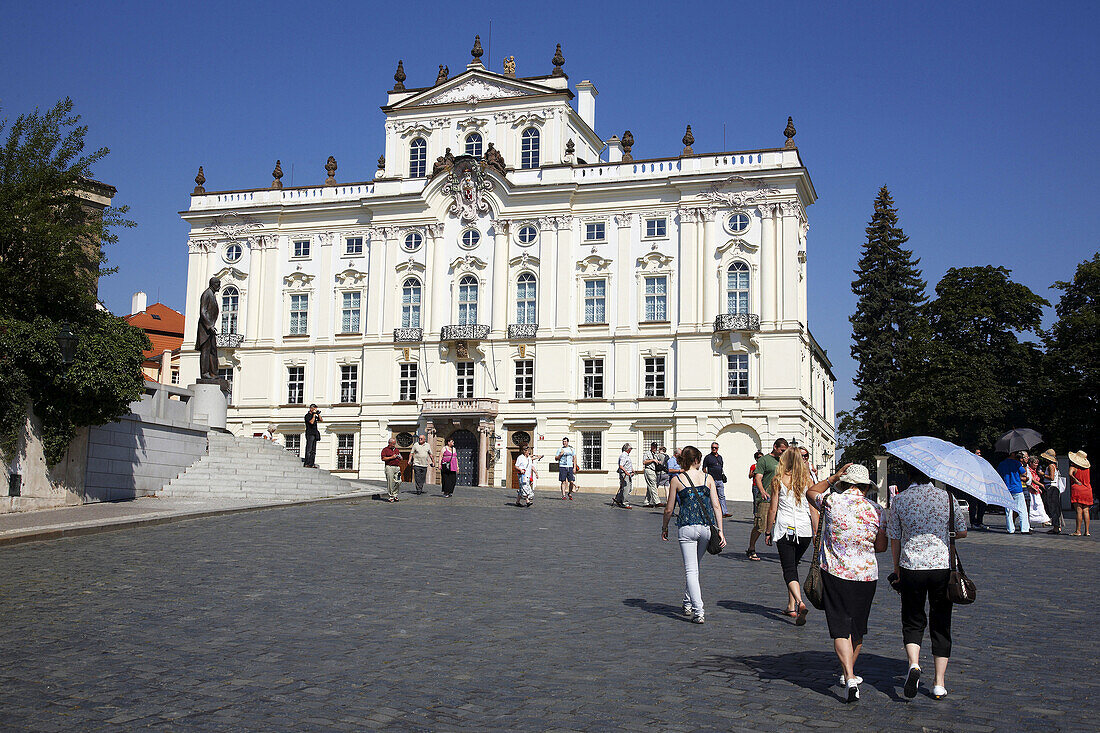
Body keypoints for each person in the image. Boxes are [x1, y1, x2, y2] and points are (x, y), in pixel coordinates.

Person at [807, 463, 887, 704]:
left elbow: (810, 492)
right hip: (865, 575)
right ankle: (848, 672)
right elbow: (881, 547)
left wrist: (832, 476)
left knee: (840, 625)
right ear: (865, 487)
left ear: (844, 483)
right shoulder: (876, 509)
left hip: (836, 572)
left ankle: (849, 677)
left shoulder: (832, 502)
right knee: (857, 627)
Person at [887, 462, 968, 701]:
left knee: (912, 619)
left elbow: (894, 537)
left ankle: (913, 664)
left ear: (908, 475)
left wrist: (896, 568)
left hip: (911, 566)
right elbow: (961, 531)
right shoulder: (948, 498)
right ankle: (939, 683)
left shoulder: (900, 500)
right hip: (942, 567)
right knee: (941, 621)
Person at [661, 445, 726, 624]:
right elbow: (716, 506)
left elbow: (669, 509)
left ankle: (699, 610)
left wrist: (664, 527)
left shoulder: (677, 480)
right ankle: (688, 602)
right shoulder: (708, 478)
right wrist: (720, 530)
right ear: (697, 460)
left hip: (686, 527)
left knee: (691, 570)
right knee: (695, 567)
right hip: (705, 528)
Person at [764, 447, 818, 625]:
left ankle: (800, 602)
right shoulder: (807, 480)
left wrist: (768, 530)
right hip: (804, 531)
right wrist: (816, 532)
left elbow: (773, 508)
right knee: (793, 566)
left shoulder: (778, 480)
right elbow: (813, 509)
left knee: (789, 570)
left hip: (785, 529)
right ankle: (791, 606)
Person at [750, 438, 789, 561]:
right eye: (782, 450)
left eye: (785, 451)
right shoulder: (764, 460)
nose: (783, 453)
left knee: (783, 525)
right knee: (760, 525)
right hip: (767, 498)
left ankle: (785, 552)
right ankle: (751, 548)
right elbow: (758, 477)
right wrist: (762, 491)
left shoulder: (785, 461)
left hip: (782, 498)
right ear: (775, 447)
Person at [998, 451, 1030, 534]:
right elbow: (1024, 473)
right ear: (1012, 454)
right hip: (1017, 489)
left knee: (1008, 511)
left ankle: (1010, 529)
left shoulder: (1001, 464)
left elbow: (999, 475)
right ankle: (1024, 529)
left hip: (1006, 489)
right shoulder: (1016, 463)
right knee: (1022, 509)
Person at [702, 442, 730, 518]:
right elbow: (704, 468)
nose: (714, 449)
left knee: (722, 496)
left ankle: (724, 512)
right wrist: (707, 477)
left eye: (715, 448)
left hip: (720, 479)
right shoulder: (708, 457)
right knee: (712, 496)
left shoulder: (720, 457)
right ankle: (710, 512)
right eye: (713, 447)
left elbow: (721, 467)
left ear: (718, 448)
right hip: (712, 480)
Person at [1068, 451, 1092, 536]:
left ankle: (1078, 531)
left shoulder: (1073, 467)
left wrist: (1076, 480)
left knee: (1079, 510)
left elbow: (1070, 474)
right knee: (1086, 510)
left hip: (1078, 489)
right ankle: (1087, 531)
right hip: (1087, 489)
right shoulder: (1087, 469)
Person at [1039, 449, 1062, 534]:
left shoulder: (1050, 466)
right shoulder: (1054, 466)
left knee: (1053, 507)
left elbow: (1051, 477)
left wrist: (1043, 474)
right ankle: (1057, 526)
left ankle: (1056, 527)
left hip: (1052, 488)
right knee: (1055, 507)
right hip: (1054, 487)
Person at [1026, 457, 1050, 526]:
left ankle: (1044, 519)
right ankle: (1030, 520)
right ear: (1030, 463)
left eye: (1037, 463)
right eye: (1034, 463)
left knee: (1039, 505)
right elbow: (1032, 480)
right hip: (1031, 490)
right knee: (1032, 506)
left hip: (1036, 490)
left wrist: (1038, 487)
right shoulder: (1028, 470)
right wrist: (1041, 485)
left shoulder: (1035, 471)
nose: (1036, 465)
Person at [613, 444, 637, 509]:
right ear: (627, 449)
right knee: (626, 488)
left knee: (628, 488)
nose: (631, 450)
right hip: (625, 474)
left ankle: (618, 499)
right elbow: (621, 466)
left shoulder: (627, 455)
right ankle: (624, 503)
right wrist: (626, 472)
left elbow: (628, 464)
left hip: (628, 474)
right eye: (630, 449)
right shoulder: (623, 455)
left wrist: (632, 470)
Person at [381, 437, 402, 502]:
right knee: (390, 482)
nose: (394, 445)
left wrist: (400, 457)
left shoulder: (396, 450)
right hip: (389, 467)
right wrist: (391, 457)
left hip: (397, 467)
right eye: (393, 444)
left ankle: (395, 494)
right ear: (389, 443)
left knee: (399, 481)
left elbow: (400, 457)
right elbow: (383, 458)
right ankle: (391, 496)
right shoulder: (385, 450)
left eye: (394, 444)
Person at [642, 442, 662, 508]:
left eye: (655, 447)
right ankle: (657, 502)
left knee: (650, 486)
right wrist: (652, 460)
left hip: (654, 471)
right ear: (651, 447)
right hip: (649, 470)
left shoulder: (656, 454)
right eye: (653, 447)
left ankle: (646, 502)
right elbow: (644, 462)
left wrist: (658, 462)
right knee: (653, 485)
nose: (655, 448)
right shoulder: (647, 453)